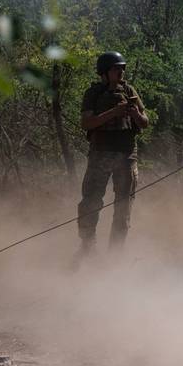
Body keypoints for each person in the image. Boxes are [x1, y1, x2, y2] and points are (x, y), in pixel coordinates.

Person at [77, 51, 149, 254]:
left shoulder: (129, 90)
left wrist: (134, 112)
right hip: (101, 154)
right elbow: (87, 123)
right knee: (90, 201)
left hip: (126, 155)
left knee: (123, 206)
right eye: (116, 69)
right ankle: (87, 246)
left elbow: (145, 123)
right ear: (105, 72)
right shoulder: (94, 94)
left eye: (122, 68)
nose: (121, 72)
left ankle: (116, 253)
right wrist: (113, 113)